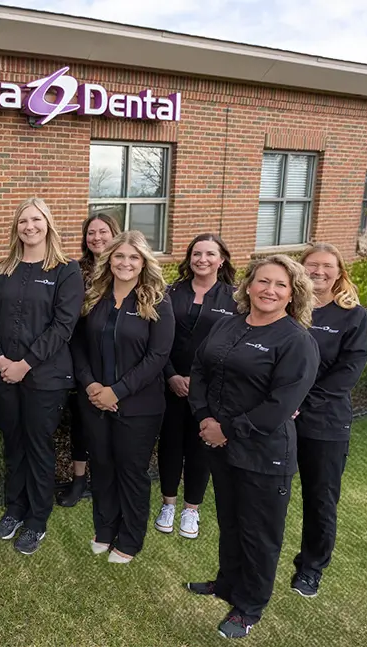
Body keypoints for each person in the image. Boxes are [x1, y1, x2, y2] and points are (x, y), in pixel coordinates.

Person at [186, 255, 320, 639]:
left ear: (292, 293)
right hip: (220, 446)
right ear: (247, 286)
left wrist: (227, 429)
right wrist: (203, 417)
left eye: (280, 285)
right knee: (230, 522)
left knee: (259, 534)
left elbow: (281, 404)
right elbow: (200, 369)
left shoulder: (297, 341)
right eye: (263, 281)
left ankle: (249, 607)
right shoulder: (227, 324)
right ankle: (227, 584)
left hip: (264, 454)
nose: (269, 290)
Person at [0, 197, 84, 555]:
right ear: (16, 227)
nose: (30, 226)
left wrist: (24, 364)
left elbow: (63, 326)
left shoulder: (66, 271)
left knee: (38, 447)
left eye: (36, 220)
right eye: (23, 221)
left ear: (48, 224)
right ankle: (15, 507)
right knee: (14, 444)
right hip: (4, 374)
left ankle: (37, 520)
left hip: (45, 378)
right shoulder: (2, 269)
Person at [72, 230, 174, 564]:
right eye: (119, 256)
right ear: (108, 259)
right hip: (94, 401)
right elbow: (78, 345)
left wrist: (117, 390)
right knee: (101, 467)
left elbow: (157, 357)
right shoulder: (94, 296)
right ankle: (104, 528)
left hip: (139, 406)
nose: (125, 263)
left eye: (133, 257)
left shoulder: (157, 300)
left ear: (144, 261)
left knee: (130, 472)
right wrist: (90, 386)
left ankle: (129, 539)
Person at [290, 243, 367, 597]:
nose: (318, 271)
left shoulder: (352, 315)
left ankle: (311, 567)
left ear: (339, 273)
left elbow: (346, 373)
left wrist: (299, 404)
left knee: (320, 499)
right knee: (263, 492)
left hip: (325, 423)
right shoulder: (289, 308)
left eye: (327, 266)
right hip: (280, 419)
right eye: (311, 265)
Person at [154, 234, 237, 539]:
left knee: (200, 446)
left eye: (210, 254)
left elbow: (235, 345)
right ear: (188, 258)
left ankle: (191, 510)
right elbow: (158, 340)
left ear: (221, 259)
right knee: (171, 444)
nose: (202, 259)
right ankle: (168, 504)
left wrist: (201, 383)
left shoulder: (236, 298)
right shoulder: (169, 293)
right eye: (196, 253)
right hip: (171, 382)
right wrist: (171, 376)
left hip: (212, 389)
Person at [57, 212, 121, 508]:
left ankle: (107, 479)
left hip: (119, 358)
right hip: (82, 356)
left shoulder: (127, 266)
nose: (97, 238)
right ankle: (79, 480)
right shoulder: (75, 270)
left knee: (117, 423)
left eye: (103, 232)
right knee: (82, 423)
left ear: (115, 233)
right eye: (91, 233)